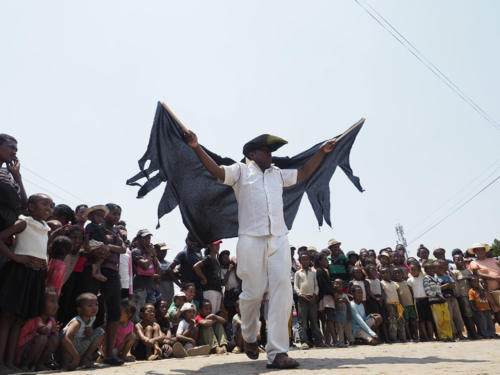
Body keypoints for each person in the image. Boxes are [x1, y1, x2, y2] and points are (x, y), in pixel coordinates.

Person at [184, 130, 339, 369]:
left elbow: (305, 172)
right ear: (252, 153)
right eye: (266, 151)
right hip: (250, 240)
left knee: (283, 293)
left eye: (271, 151)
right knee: (252, 294)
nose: (270, 154)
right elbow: (216, 170)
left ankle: (277, 353)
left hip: (279, 239)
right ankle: (248, 336)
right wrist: (195, 146)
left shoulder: (277, 174)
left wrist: (321, 152)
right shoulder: (240, 171)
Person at [0, 193, 53, 373]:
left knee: (18, 320)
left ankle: (10, 362)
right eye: (44, 204)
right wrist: (16, 258)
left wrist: (44, 261)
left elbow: (41, 249)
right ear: (30, 207)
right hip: (18, 273)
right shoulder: (24, 222)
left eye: (50, 205)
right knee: (7, 318)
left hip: (35, 275)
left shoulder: (45, 227)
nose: (48, 208)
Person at [79, 203, 126, 366]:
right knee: (89, 308)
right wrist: (108, 247)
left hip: (112, 272)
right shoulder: (96, 228)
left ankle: (108, 353)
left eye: (118, 214)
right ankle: (83, 353)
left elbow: (123, 249)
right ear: (104, 214)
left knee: (114, 311)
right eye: (113, 213)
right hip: (93, 269)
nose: (116, 217)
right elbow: (88, 248)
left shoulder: (117, 231)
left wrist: (109, 246)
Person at [15, 288, 59, 371]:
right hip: (22, 354)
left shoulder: (52, 321)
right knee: (42, 338)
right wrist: (36, 333)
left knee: (54, 339)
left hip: (36, 354)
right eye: (52, 301)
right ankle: (25, 365)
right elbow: (19, 341)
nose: (56, 305)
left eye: (57, 302)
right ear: (41, 303)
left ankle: (39, 364)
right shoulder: (33, 320)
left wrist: (52, 332)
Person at [61, 293, 105, 370]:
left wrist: (90, 332)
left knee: (100, 332)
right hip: (68, 350)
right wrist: (76, 357)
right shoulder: (77, 322)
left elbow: (89, 333)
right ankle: (66, 362)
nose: (94, 308)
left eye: (96, 304)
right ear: (79, 309)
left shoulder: (92, 317)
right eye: (90, 306)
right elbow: (65, 339)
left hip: (79, 345)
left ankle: (85, 358)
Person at [294, 253, 325, 349]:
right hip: (302, 299)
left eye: (307, 259)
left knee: (314, 321)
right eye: (303, 260)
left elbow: (316, 285)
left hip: (312, 299)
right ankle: (304, 342)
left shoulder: (313, 273)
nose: (305, 261)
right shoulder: (298, 273)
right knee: (302, 321)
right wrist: (300, 294)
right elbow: (295, 286)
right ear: (300, 261)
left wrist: (315, 295)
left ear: (309, 261)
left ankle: (318, 341)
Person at [166, 233, 203, 300]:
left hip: (198, 289)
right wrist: (180, 285)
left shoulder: (198, 256)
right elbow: (169, 269)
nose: (193, 243)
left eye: (195, 241)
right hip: (187, 290)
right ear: (187, 241)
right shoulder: (183, 253)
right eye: (191, 241)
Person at [435, 259, 465, 339]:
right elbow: (436, 289)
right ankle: (453, 334)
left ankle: (460, 333)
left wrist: (447, 285)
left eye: (442, 267)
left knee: (457, 316)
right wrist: (447, 285)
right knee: (450, 317)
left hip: (453, 298)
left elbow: (453, 285)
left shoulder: (447, 275)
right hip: (445, 299)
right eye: (439, 268)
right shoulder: (435, 278)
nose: (441, 269)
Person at [423, 262, 453, 341]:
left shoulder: (436, 278)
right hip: (434, 302)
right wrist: (438, 296)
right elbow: (427, 291)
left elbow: (439, 288)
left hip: (443, 301)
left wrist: (442, 296)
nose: (431, 270)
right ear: (425, 270)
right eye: (429, 269)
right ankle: (443, 336)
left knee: (446, 319)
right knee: (439, 320)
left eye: (432, 268)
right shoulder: (426, 278)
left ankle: (449, 336)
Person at [451, 255, 478, 339]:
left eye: (461, 259)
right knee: (468, 316)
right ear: (454, 262)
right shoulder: (454, 272)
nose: (459, 261)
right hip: (463, 296)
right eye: (457, 259)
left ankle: (479, 332)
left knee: (475, 314)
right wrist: (458, 296)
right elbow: (455, 285)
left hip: (473, 296)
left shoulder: (468, 271)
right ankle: (473, 334)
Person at [132, 229, 158, 314]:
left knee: (149, 314)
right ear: (138, 239)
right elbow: (145, 266)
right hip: (139, 287)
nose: (147, 240)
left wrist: (154, 255)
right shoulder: (136, 251)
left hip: (149, 287)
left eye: (149, 238)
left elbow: (157, 268)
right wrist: (149, 254)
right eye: (145, 238)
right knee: (138, 313)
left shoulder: (148, 251)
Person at [407, 262, 435, 341]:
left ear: (419, 270)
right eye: (411, 270)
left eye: (415, 269)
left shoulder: (424, 277)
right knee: (421, 320)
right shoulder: (409, 280)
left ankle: (431, 336)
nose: (413, 271)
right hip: (417, 301)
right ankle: (425, 337)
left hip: (426, 299)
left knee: (429, 319)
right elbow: (411, 291)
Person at [193, 240, 223, 313]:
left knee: (215, 314)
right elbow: (196, 266)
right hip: (210, 290)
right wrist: (204, 278)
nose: (218, 247)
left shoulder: (216, 260)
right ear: (210, 246)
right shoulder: (208, 258)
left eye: (218, 245)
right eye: (215, 245)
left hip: (217, 290)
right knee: (209, 314)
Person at [315, 252, 337, 347]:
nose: (327, 261)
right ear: (320, 261)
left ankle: (327, 341)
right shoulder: (320, 271)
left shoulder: (323, 270)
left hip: (326, 297)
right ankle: (335, 341)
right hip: (326, 298)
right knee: (330, 320)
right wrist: (333, 293)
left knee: (327, 321)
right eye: (325, 259)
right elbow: (323, 286)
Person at [84, 205, 110, 282]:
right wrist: (87, 244)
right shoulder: (90, 225)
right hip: (92, 243)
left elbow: (106, 233)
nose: (100, 218)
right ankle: (96, 271)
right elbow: (87, 235)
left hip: (98, 244)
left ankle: (97, 270)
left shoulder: (101, 227)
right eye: (98, 216)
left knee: (105, 254)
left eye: (102, 217)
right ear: (91, 217)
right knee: (105, 250)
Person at [380, 267, 405, 342]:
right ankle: (393, 338)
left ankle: (403, 338)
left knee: (401, 320)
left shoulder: (395, 283)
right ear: (381, 275)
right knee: (392, 321)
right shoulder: (382, 283)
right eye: (383, 273)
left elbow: (398, 294)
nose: (385, 274)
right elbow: (383, 294)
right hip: (389, 304)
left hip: (397, 304)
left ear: (390, 273)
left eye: (387, 272)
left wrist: (401, 303)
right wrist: (385, 304)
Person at [393, 267, 418, 341]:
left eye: (399, 273)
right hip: (403, 306)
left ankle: (416, 336)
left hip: (411, 304)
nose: (397, 274)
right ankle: (409, 337)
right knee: (406, 322)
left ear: (402, 274)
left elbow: (411, 292)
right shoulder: (394, 284)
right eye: (395, 273)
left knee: (413, 321)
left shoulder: (407, 282)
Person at [333, 279, 353, 347]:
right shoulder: (334, 295)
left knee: (348, 329)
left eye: (339, 284)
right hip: (338, 316)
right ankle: (341, 341)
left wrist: (349, 314)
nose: (337, 285)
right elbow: (333, 305)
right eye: (335, 283)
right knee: (340, 330)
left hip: (345, 315)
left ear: (343, 286)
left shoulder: (345, 295)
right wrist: (337, 301)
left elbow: (348, 305)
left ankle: (351, 340)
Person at [155, 242, 175, 307]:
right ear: (156, 251)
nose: (164, 253)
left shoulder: (169, 263)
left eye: (165, 251)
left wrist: (167, 275)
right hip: (159, 293)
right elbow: (158, 277)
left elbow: (176, 276)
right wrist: (169, 275)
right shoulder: (154, 263)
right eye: (162, 251)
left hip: (169, 293)